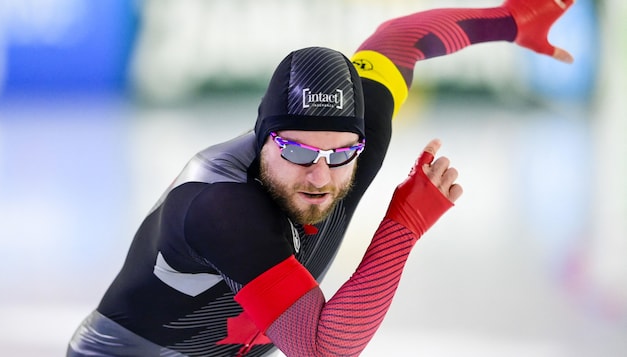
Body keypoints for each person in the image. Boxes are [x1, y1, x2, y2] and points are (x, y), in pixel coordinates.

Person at [67, 0, 574, 356]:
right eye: (296, 149)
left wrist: (511, 19)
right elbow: (321, 351)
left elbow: (402, 39)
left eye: (340, 154)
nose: (318, 173)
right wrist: (404, 224)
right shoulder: (220, 207)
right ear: (264, 138)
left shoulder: (354, 142)